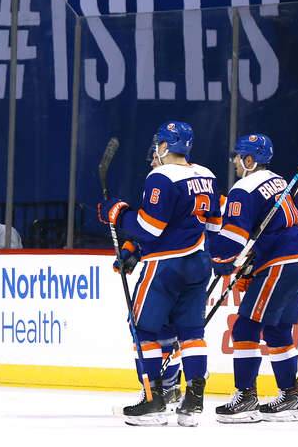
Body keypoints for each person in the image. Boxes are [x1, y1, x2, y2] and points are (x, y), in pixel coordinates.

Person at [97, 121, 218, 427]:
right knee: (191, 333)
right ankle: (193, 401)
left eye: (158, 144)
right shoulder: (207, 175)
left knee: (144, 330)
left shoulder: (161, 176)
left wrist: (119, 214)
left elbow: (151, 228)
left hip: (165, 266)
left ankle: (153, 400)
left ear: (165, 146)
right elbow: (213, 226)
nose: (156, 149)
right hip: (199, 263)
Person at [210, 134, 298, 423]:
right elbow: (270, 229)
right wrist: (250, 267)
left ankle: (245, 397)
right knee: (277, 330)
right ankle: (290, 396)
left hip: (281, 264)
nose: (233, 161)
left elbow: (233, 239)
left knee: (244, 328)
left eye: (238, 156)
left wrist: (215, 257)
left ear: (249, 160)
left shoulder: (243, 188)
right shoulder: (278, 180)